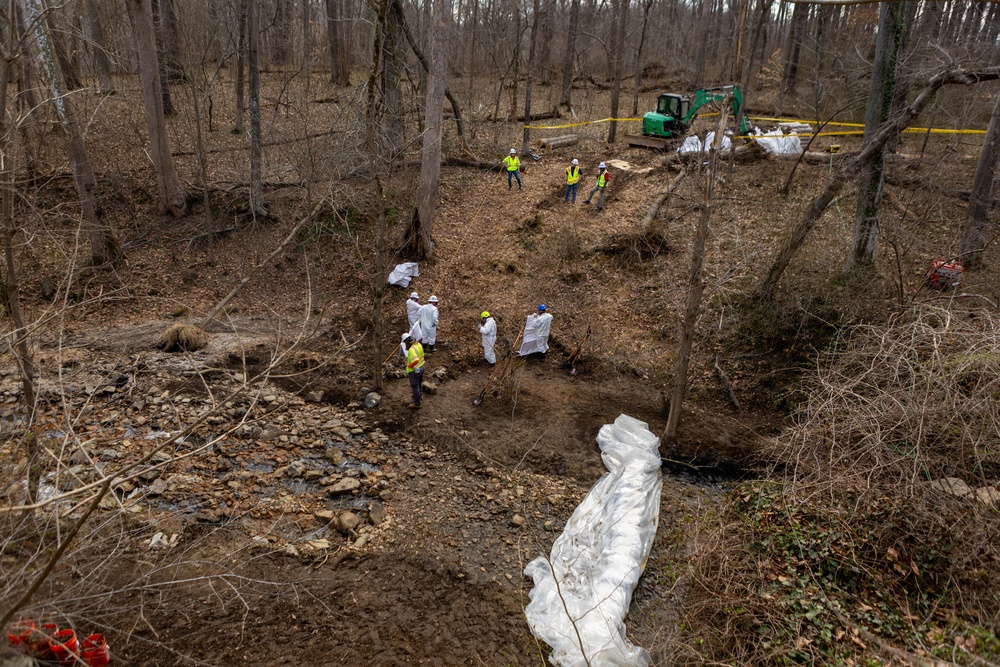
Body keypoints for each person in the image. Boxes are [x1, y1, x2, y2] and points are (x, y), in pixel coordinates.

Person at [401, 333, 425, 409]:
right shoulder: (418, 344)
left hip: (415, 370)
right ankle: (419, 397)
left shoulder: (411, 350)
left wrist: (409, 365)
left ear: (406, 341)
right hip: (422, 367)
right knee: (419, 384)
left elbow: (415, 360)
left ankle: (417, 403)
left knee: (415, 386)